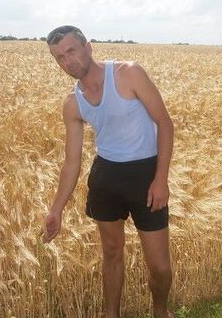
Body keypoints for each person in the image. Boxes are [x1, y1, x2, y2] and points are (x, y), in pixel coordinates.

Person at [41, 25, 174, 318]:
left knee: (159, 266)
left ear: (88, 46)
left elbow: (165, 124)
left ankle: (160, 312)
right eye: (59, 57)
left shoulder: (129, 74)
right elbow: (71, 162)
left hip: (145, 176)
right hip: (106, 178)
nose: (68, 61)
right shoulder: (72, 103)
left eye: (71, 51)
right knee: (112, 253)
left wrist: (161, 179)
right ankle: (110, 314)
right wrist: (56, 210)